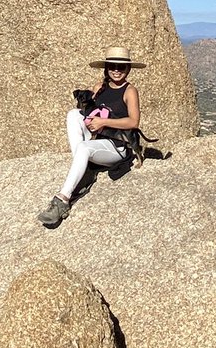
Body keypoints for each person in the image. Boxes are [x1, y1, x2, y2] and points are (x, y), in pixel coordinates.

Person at [38, 46, 145, 228]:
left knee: (84, 148)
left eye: (121, 67)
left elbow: (133, 122)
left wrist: (104, 123)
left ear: (128, 69)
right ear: (106, 68)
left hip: (115, 147)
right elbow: (89, 112)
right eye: (112, 66)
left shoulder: (129, 91)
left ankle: (62, 200)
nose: (117, 71)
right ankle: (85, 169)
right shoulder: (99, 88)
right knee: (73, 114)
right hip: (97, 139)